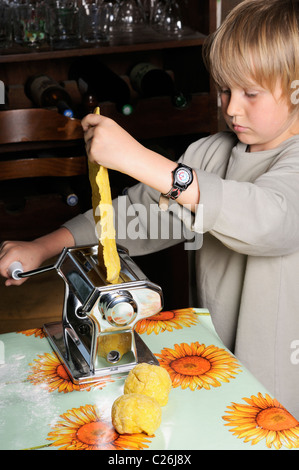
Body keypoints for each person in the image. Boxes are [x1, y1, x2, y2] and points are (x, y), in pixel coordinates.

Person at [1, 0, 299, 419]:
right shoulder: (212, 153)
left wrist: (140, 159)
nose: (231, 108)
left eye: (251, 93)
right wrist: (44, 245)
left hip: (281, 390)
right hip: (218, 369)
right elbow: (134, 217)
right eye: (227, 90)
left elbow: (270, 220)